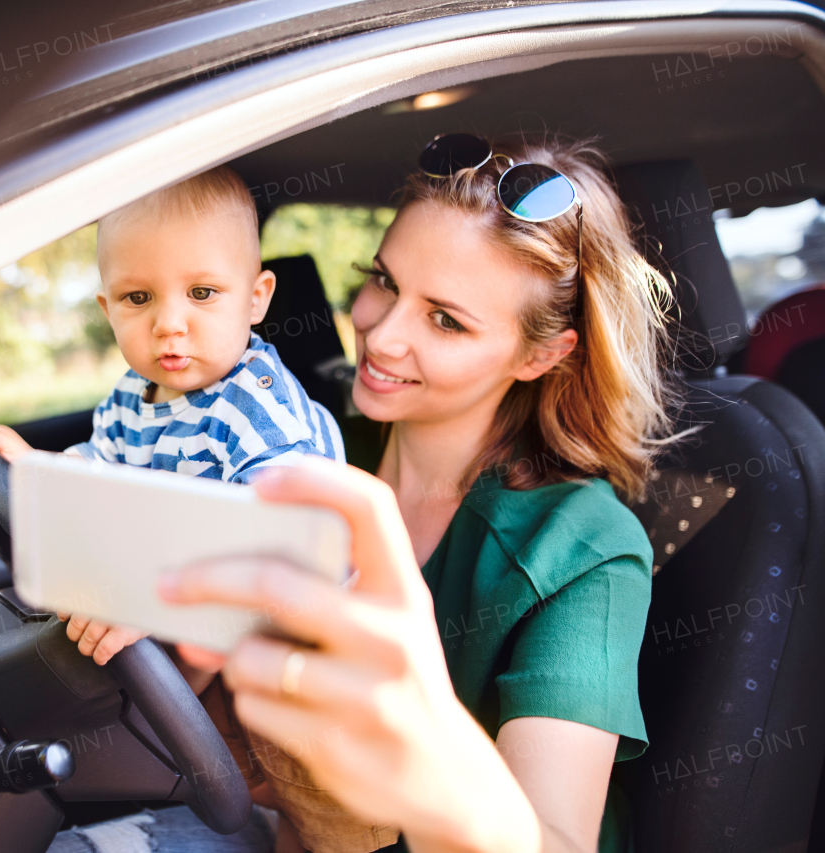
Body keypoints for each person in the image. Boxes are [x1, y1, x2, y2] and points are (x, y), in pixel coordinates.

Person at [48, 134, 680, 853]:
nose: (379, 336)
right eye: (383, 281)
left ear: (541, 354)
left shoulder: (584, 547)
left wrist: (428, 751)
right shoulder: (301, 444)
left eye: (445, 319)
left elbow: (558, 842)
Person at [0, 166, 356, 850]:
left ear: (256, 299)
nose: (170, 323)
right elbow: (106, 471)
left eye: (202, 292)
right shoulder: (137, 398)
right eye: (139, 297)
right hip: (213, 666)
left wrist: (154, 600)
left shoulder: (262, 415)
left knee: (321, 830)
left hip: (313, 681)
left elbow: (281, 555)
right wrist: (37, 465)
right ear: (108, 309)